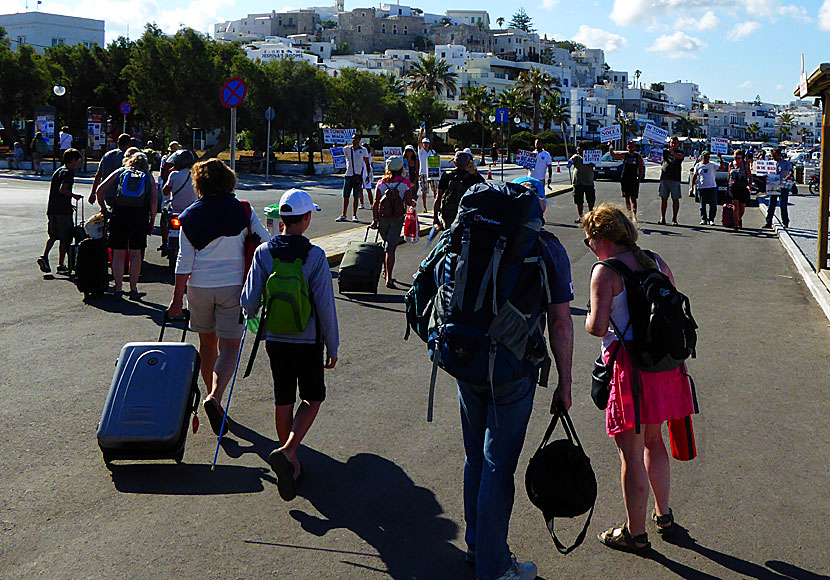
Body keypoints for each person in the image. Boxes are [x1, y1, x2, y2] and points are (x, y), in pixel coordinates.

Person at [456, 214, 574, 580]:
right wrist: (564, 381)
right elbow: (559, 321)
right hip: (512, 368)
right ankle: (494, 567)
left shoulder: (471, 235)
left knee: (475, 458)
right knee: (498, 465)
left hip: (466, 359)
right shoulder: (546, 247)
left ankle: (478, 546)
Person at [583, 203, 694, 553]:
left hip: (628, 369)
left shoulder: (605, 272)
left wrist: (588, 317)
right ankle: (664, 516)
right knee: (654, 440)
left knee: (629, 454)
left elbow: (599, 327)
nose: (588, 245)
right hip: (662, 364)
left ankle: (635, 533)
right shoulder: (655, 260)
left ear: (602, 238)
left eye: (589, 239)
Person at [241, 188, 339, 501]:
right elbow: (325, 306)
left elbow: (248, 300)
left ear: (281, 218)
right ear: (306, 219)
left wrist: (252, 313)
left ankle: (291, 464)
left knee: (283, 398)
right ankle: (289, 451)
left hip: (275, 339)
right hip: (307, 340)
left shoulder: (264, 252)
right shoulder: (315, 256)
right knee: (312, 398)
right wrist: (332, 346)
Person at [167, 158, 269, 435]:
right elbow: (265, 243)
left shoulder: (189, 216)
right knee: (231, 347)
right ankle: (215, 397)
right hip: (234, 288)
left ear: (199, 184)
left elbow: (183, 261)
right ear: (229, 181)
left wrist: (177, 300)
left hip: (199, 289)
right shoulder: (244, 211)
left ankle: (214, 399)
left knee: (207, 343)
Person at [95, 151, 158, 299]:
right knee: (135, 254)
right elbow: (154, 201)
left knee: (118, 253)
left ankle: (118, 288)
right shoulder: (148, 177)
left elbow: (100, 190)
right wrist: (152, 221)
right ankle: (133, 289)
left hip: (119, 215)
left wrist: (104, 208)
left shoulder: (121, 172)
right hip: (139, 217)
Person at [371, 156, 415, 289]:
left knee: (386, 244)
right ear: (401, 168)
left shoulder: (381, 183)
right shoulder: (405, 183)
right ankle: (389, 277)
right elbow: (408, 201)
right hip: (397, 217)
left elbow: (376, 203)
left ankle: (386, 271)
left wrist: (375, 219)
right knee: (391, 248)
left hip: (383, 216)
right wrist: (413, 203)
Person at [36, 148, 84, 275]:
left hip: (53, 209)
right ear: (72, 160)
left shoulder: (58, 171)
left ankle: (44, 256)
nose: (78, 163)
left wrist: (69, 203)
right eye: (77, 160)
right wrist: (74, 196)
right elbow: (62, 190)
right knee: (65, 238)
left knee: (53, 235)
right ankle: (61, 264)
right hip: (63, 212)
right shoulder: (68, 173)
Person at [434, 151, 485, 230]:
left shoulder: (446, 175)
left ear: (454, 163)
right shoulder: (473, 178)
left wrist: (435, 218)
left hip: (448, 215)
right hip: (465, 215)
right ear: (468, 163)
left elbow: (438, 197)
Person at [90, 133, 131, 205]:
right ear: (129, 145)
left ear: (117, 143)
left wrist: (93, 193)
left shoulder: (107, 155)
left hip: (107, 193)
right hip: (122, 194)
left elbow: (98, 175)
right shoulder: (129, 158)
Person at [337, 134, 370, 223]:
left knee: (356, 196)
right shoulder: (347, 149)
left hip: (358, 176)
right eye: (352, 138)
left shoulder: (363, 150)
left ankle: (354, 215)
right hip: (348, 175)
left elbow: (367, 163)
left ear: (359, 140)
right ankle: (344, 214)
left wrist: (368, 175)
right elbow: (338, 153)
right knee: (345, 196)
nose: (353, 140)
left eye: (355, 138)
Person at [609, 142, 644, 221]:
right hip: (625, 179)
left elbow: (641, 168)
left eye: (632, 147)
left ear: (634, 148)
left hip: (633, 179)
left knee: (634, 198)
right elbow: (613, 155)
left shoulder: (637, 156)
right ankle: (629, 214)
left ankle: (634, 215)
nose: (630, 148)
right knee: (626, 198)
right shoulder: (624, 155)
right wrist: (610, 146)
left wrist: (639, 178)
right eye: (629, 147)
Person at [764, 148, 794, 229]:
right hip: (773, 185)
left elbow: (791, 170)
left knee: (782, 204)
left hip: (783, 185)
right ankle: (768, 222)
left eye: (775, 156)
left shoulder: (785, 163)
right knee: (771, 204)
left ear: (779, 155)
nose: (773, 158)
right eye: (772, 156)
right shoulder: (771, 163)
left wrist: (789, 175)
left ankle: (785, 222)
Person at [658, 136, 684, 225]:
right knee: (663, 199)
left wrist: (673, 153)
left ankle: (674, 219)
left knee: (675, 199)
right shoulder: (665, 151)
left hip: (675, 179)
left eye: (675, 143)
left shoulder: (680, 152)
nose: (673, 144)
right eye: (672, 142)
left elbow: (680, 157)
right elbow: (656, 151)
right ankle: (662, 218)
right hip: (664, 178)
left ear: (678, 144)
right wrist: (652, 144)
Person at [690, 151, 719, 225]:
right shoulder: (698, 165)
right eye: (705, 157)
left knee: (713, 204)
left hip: (712, 187)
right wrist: (692, 187)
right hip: (702, 187)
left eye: (708, 157)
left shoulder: (712, 164)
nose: (707, 158)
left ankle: (711, 219)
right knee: (702, 205)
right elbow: (694, 176)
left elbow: (721, 167)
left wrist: (720, 158)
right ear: (702, 157)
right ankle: (704, 219)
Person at [570, 145, 597, 223]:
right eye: (577, 148)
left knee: (590, 200)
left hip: (588, 182)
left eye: (580, 147)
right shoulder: (576, 156)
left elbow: (593, 165)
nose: (578, 149)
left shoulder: (590, 157)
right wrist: (571, 160)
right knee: (579, 201)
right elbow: (569, 163)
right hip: (578, 183)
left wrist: (587, 162)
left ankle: (591, 217)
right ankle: (581, 217)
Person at [727, 149, 752, 230]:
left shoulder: (745, 165)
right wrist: (728, 184)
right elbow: (729, 175)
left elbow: (750, 176)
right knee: (735, 205)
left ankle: (739, 218)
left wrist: (750, 185)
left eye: (739, 158)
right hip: (733, 187)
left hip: (743, 186)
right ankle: (736, 224)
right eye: (735, 158)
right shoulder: (731, 164)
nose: (737, 160)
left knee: (742, 206)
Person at [417, 128, 435, 212]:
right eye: (424, 143)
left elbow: (437, 158)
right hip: (423, 173)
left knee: (435, 190)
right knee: (424, 191)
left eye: (427, 143)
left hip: (432, 173)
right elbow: (419, 141)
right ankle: (425, 207)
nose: (425, 145)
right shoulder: (421, 151)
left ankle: (436, 206)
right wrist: (421, 133)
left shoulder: (432, 151)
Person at [360, 144, 375, 209]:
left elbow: (373, 151)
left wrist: (369, 146)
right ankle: (362, 204)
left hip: (366, 173)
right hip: (360, 173)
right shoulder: (360, 155)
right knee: (360, 190)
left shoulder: (369, 155)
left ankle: (372, 204)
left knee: (368, 189)